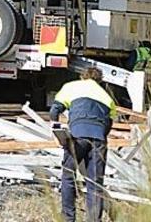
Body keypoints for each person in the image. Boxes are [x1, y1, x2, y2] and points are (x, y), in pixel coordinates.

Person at [50, 67, 116, 222]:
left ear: (83, 77)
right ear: (99, 80)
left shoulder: (71, 86)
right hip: (98, 139)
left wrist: (55, 129)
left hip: (77, 136)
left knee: (68, 176)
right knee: (95, 183)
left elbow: (55, 110)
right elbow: (108, 124)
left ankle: (68, 218)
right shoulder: (107, 97)